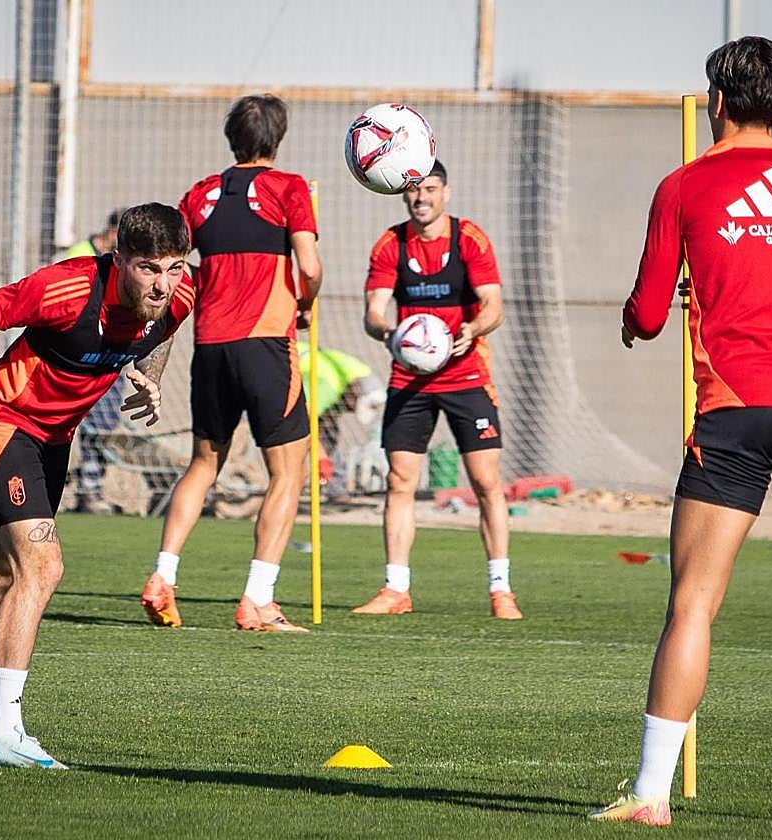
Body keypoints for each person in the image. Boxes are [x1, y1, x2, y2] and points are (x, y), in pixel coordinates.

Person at [589, 37, 772, 828]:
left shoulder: (686, 184)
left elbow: (648, 313)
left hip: (738, 411)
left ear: (717, 98)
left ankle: (649, 797)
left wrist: (634, 321)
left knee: (693, 605)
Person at [0, 203, 194, 768]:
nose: (163, 284)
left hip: (55, 439)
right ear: (119, 260)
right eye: (147, 269)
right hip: (3, 421)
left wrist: (149, 378)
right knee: (42, 566)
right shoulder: (64, 289)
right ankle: (4, 733)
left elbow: (159, 331)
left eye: (174, 267)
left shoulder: (179, 294)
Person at [140, 94, 321, 632]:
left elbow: (174, 270)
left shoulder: (198, 195)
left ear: (231, 136)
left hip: (211, 347)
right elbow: (308, 266)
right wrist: (306, 303)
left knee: (203, 465)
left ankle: (163, 576)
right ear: (278, 138)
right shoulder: (290, 188)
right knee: (288, 473)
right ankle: (257, 600)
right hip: (266, 344)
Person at [350, 160, 521, 621]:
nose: (421, 197)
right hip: (410, 379)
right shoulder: (391, 244)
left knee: (486, 483)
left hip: (467, 376)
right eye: (413, 190)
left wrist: (472, 327)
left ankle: (500, 589)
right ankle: (395, 589)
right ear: (403, 196)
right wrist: (388, 333)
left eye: (430, 188)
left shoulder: (470, 239)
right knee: (399, 481)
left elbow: (494, 307)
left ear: (446, 192)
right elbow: (374, 312)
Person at [63, 208, 126, 514]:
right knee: (77, 426)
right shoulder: (79, 254)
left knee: (103, 428)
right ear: (113, 233)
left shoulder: (123, 263)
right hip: (80, 357)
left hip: (111, 355)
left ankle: (92, 490)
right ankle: (79, 489)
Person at [298, 344, 386, 500]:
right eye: (354, 407)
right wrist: (321, 457)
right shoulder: (327, 385)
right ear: (355, 394)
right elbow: (303, 420)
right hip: (267, 370)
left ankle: (336, 487)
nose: (351, 411)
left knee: (328, 428)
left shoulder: (357, 373)